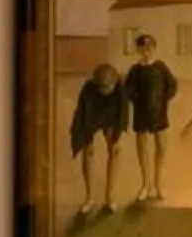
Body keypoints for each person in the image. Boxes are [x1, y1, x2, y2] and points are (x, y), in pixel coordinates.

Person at [120, 30, 178, 207]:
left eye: (149, 47)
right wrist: (135, 98)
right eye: (143, 48)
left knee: (161, 147)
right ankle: (146, 184)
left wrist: (163, 100)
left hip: (159, 114)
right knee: (142, 149)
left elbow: (173, 85)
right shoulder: (135, 70)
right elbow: (127, 90)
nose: (146, 51)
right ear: (138, 50)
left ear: (154, 48)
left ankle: (158, 183)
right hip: (141, 114)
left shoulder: (160, 67)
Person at [67, 59, 128, 220]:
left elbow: (122, 115)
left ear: (115, 82)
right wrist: (89, 140)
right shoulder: (88, 89)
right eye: (101, 87)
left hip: (111, 119)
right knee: (88, 153)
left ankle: (110, 197)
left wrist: (117, 139)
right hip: (91, 118)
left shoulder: (121, 89)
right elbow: (84, 115)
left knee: (116, 152)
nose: (104, 91)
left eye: (108, 87)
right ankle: (89, 198)